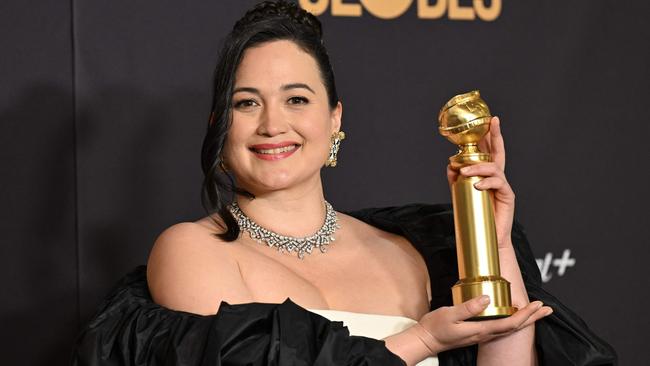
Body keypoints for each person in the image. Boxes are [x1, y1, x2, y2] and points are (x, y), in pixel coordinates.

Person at [72, 1, 616, 365]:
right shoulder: (193, 251)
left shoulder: (407, 250)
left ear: (334, 119)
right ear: (220, 126)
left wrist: (490, 244)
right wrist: (422, 339)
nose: (272, 124)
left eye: (296, 99)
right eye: (246, 104)